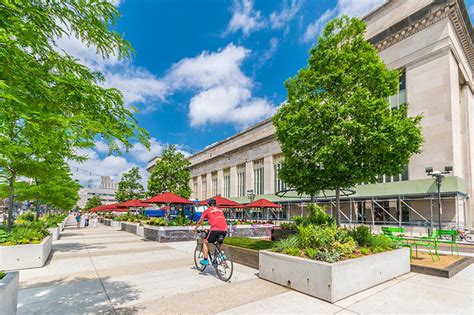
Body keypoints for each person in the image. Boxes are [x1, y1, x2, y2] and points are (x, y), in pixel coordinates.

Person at [193, 198, 228, 266]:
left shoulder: (207, 210)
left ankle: (206, 260)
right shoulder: (220, 210)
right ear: (215, 204)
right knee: (219, 242)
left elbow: (200, 221)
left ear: (207, 205)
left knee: (205, 242)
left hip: (215, 229)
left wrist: (195, 228)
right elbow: (218, 220)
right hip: (224, 229)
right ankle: (222, 255)